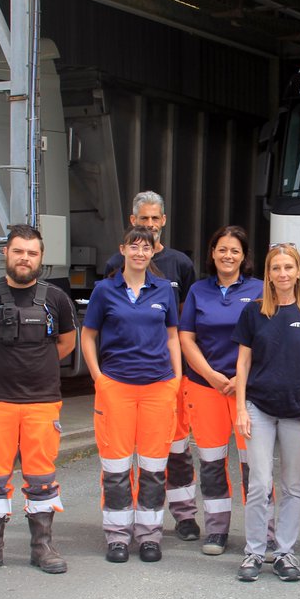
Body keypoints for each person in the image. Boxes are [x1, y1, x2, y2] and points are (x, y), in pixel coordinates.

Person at [0, 224, 78, 577]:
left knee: (41, 477)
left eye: (32, 253)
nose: (25, 258)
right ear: (6, 254)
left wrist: (34, 366)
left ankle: (43, 547)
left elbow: (67, 344)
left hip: (42, 402)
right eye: (18, 251)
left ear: (41, 258)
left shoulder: (56, 299)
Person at [81, 226, 182, 564]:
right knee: (116, 466)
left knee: (154, 466)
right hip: (117, 388)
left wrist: (176, 380)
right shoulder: (104, 291)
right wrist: (99, 379)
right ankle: (118, 536)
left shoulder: (164, 290)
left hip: (158, 387)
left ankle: (150, 535)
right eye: (134, 246)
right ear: (122, 249)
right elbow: (88, 335)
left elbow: (172, 337)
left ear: (154, 252)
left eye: (146, 247)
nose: (140, 253)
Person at [103, 191, 200, 542]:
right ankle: (125, 519)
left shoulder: (181, 264)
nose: (149, 226)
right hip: (125, 378)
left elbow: (186, 323)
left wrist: (178, 374)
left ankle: (185, 516)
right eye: (143, 220)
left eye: (155, 219)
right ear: (133, 222)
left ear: (164, 221)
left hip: (168, 377)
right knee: (124, 452)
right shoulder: (115, 262)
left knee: (176, 448)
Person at [232, 242, 300, 582]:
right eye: (276, 268)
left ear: (299, 271)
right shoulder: (254, 312)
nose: (282, 274)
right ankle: (255, 552)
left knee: (292, 485)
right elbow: (242, 363)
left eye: (288, 267)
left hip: (298, 409)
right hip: (258, 406)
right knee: (258, 483)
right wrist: (240, 407)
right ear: (268, 275)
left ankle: (285, 552)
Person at [178, 226, 263, 555]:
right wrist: (212, 375)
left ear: (244, 257)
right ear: (212, 253)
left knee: (253, 463)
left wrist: (239, 379)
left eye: (235, 251)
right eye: (222, 249)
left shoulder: (259, 289)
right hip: (205, 386)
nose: (228, 256)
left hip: (249, 390)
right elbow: (187, 338)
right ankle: (216, 530)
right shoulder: (199, 291)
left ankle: (262, 531)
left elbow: (265, 336)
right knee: (211, 461)